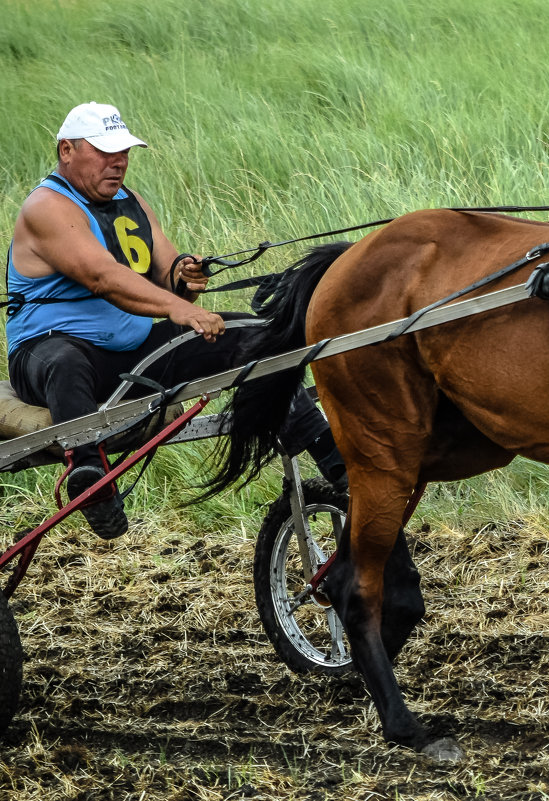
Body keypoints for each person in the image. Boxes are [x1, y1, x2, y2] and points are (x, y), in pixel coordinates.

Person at [5, 101, 345, 539]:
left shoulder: (132, 203)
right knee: (65, 362)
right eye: (105, 152)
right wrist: (178, 308)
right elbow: (102, 277)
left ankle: (337, 464)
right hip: (48, 352)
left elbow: (165, 270)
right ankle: (90, 477)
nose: (119, 162)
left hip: (131, 349)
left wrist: (184, 276)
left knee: (253, 337)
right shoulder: (47, 207)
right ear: (66, 151)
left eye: (124, 152)